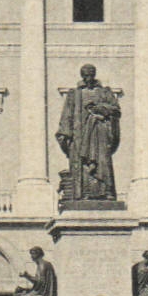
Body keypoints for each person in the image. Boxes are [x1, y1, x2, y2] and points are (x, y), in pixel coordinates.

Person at [56, 64, 122, 202]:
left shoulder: (105, 92)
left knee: (103, 163)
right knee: (83, 165)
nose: (88, 78)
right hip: (80, 137)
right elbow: (66, 116)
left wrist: (100, 108)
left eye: (91, 74)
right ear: (82, 76)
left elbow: (116, 110)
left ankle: (106, 192)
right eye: (86, 75)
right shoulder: (74, 95)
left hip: (100, 134)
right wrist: (65, 136)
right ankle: (85, 193)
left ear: (94, 74)